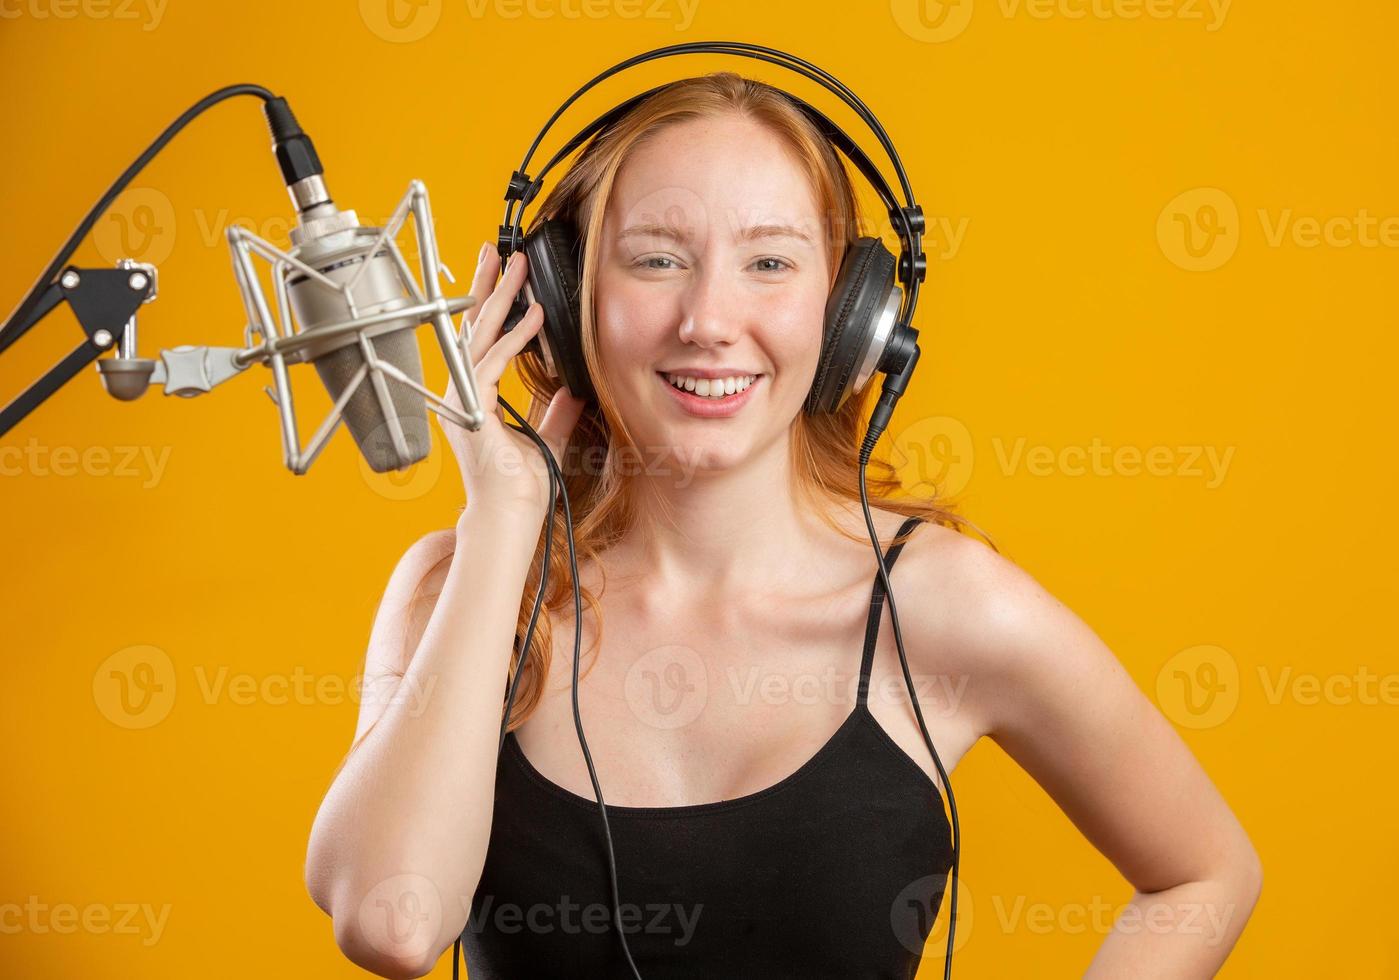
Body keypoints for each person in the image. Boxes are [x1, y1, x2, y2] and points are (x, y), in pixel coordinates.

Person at [304, 71, 1262, 979]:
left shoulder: (941, 605)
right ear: (557, 300)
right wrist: (505, 525)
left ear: (853, 314)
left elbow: (1204, 871)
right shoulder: (458, 586)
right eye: (655, 259)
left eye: (769, 262)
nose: (709, 320)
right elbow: (392, 925)